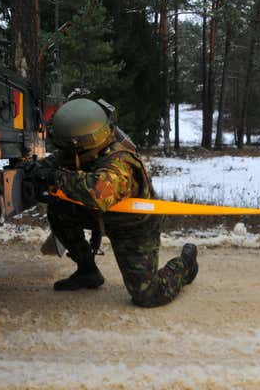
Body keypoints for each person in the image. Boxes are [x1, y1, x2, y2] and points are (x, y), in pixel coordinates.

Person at [30, 98, 198, 308]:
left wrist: (54, 178)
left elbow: (98, 193)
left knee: (148, 295)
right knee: (59, 209)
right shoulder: (82, 151)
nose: (61, 152)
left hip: (132, 227)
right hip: (100, 216)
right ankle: (87, 271)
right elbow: (56, 161)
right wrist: (36, 170)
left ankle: (186, 265)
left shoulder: (120, 163)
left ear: (80, 144)